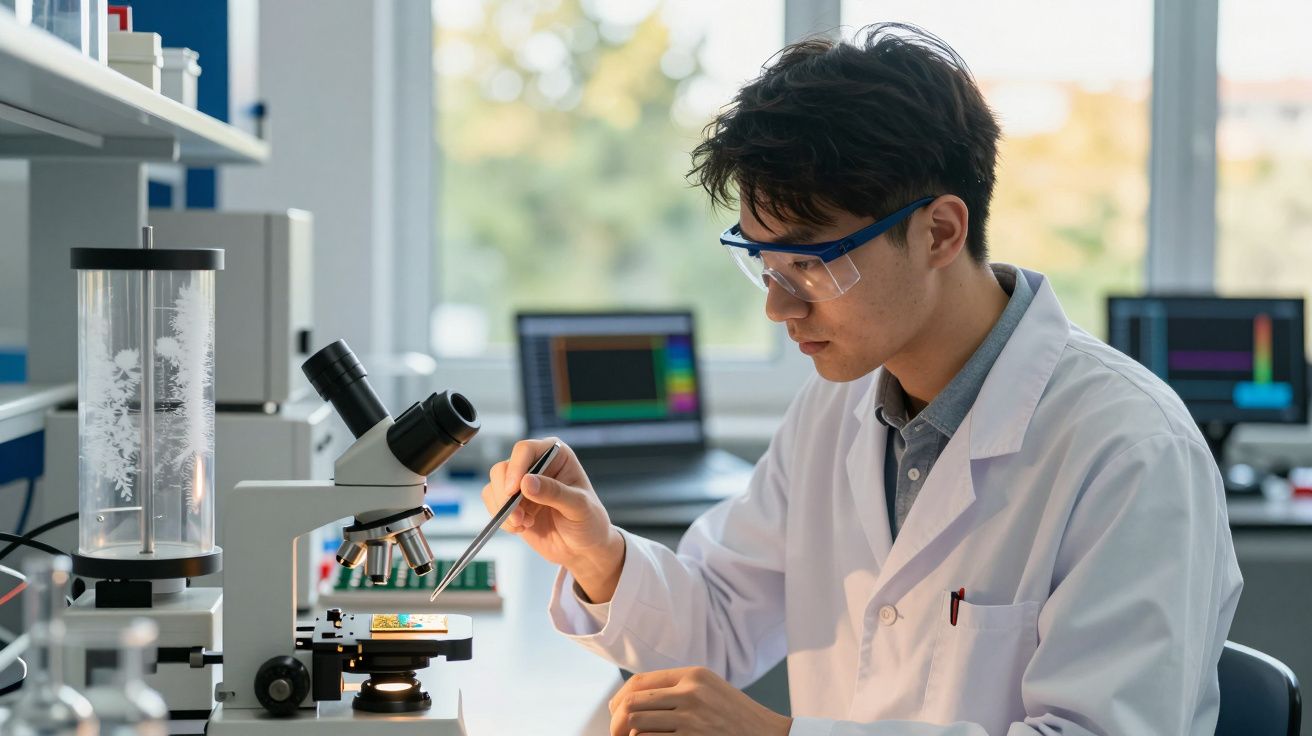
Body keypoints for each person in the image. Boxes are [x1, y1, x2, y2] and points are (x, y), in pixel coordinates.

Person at [482, 23, 1242, 736]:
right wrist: (597, 552)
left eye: (810, 264)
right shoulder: (837, 405)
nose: (779, 307)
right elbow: (719, 620)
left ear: (940, 231)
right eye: (764, 265)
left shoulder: (1131, 450)